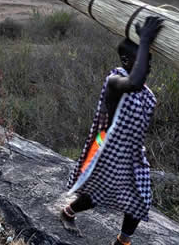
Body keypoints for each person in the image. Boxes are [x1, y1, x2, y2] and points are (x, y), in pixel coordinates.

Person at [61, 15, 163, 245]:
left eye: (149, 61)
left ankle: (122, 242)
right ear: (126, 60)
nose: (149, 67)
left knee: (140, 198)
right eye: (143, 61)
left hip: (130, 151)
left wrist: (146, 45)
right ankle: (68, 212)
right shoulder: (115, 82)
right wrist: (145, 40)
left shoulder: (146, 94)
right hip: (107, 148)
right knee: (98, 192)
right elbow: (133, 83)